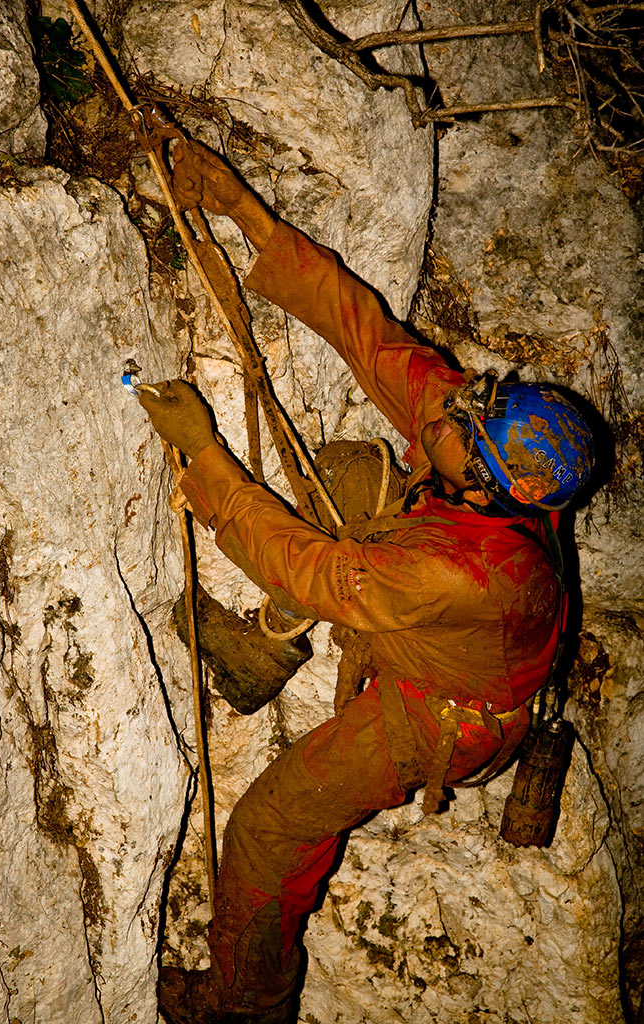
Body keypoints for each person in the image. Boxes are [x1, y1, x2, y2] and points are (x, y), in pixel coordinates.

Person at [138, 141, 594, 1024]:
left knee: (268, 831)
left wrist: (203, 456)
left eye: (465, 423)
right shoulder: (479, 452)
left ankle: (243, 1008)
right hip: (449, 631)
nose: (450, 410)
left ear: (483, 480)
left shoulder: (463, 573)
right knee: (353, 476)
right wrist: (238, 205)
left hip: (437, 714)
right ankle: (272, 640)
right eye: (467, 406)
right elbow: (364, 330)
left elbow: (315, 572)